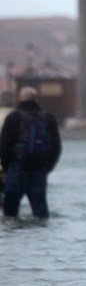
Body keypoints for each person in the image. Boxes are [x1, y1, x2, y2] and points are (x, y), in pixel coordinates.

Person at [0, 87, 62, 219]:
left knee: (10, 212)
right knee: (40, 212)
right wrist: (47, 168)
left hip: (16, 168)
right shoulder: (48, 118)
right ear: (36, 99)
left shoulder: (13, 117)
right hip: (39, 169)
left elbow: (4, 146)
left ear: (20, 99)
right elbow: (56, 147)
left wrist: (6, 169)